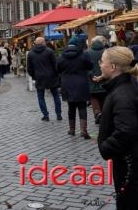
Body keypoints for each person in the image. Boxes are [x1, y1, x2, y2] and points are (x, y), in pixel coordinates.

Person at [97, 46, 138, 209]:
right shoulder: (127, 85)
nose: (100, 64)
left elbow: (127, 129)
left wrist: (106, 147)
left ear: (113, 67)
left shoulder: (122, 93)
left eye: (102, 61)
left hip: (128, 164)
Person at [57, 37, 93, 139]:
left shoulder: (62, 56)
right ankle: (83, 131)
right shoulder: (83, 55)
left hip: (67, 83)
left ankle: (72, 130)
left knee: (71, 106)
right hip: (81, 83)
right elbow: (90, 66)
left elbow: (58, 68)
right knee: (82, 106)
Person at [27, 37, 62, 122]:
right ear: (43, 43)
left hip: (39, 77)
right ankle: (59, 114)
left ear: (35, 43)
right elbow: (55, 64)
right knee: (55, 95)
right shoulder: (49, 51)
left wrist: (34, 76)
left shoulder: (31, 53)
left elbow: (29, 68)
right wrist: (57, 74)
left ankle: (45, 115)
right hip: (51, 76)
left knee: (40, 97)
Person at [87, 36, 107, 124]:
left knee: (93, 97)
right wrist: (102, 76)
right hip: (105, 79)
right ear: (102, 42)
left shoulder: (87, 53)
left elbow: (85, 68)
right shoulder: (106, 52)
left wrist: (92, 76)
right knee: (104, 98)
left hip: (91, 81)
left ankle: (97, 113)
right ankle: (104, 114)